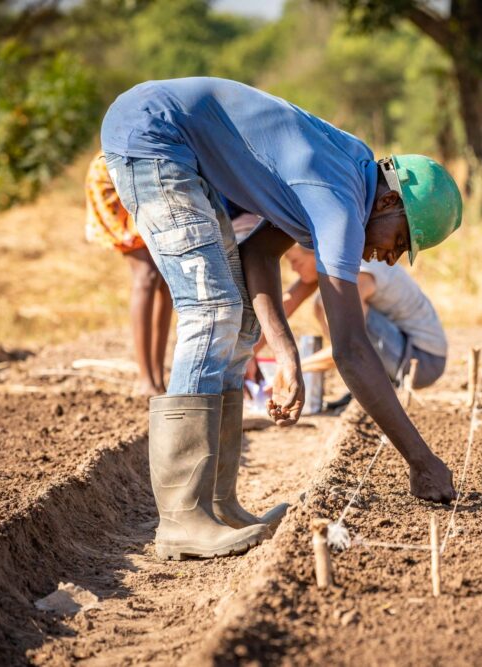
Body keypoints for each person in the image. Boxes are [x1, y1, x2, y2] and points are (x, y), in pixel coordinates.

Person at [101, 77, 462, 561]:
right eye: (400, 241)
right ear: (389, 201)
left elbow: (262, 254)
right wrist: (421, 461)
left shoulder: (349, 175)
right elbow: (352, 349)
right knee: (212, 311)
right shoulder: (340, 202)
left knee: (242, 323)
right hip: (155, 136)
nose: (391, 258)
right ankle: (182, 517)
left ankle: (220, 505)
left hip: (178, 146)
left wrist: (286, 354)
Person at [246, 242, 448, 395]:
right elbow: (285, 306)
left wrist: (292, 370)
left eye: (295, 261)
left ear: (314, 252)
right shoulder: (331, 261)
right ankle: (365, 384)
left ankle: (368, 387)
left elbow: (350, 344)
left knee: (328, 302)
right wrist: (247, 355)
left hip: (421, 362)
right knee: (328, 302)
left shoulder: (355, 274)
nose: (292, 270)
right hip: (401, 349)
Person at [85, 151, 173, 396]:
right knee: (147, 275)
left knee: (166, 279)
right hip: (116, 172)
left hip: (151, 174)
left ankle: (157, 378)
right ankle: (146, 379)